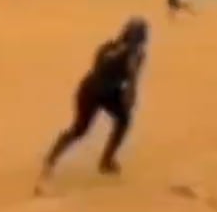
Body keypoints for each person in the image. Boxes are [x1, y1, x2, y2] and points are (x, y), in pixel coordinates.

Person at [36, 17, 149, 193]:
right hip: (94, 91)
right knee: (81, 128)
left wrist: (127, 96)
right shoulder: (116, 52)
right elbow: (116, 74)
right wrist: (126, 65)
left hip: (104, 91)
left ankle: (105, 160)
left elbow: (128, 79)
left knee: (121, 121)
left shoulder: (123, 51)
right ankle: (52, 159)